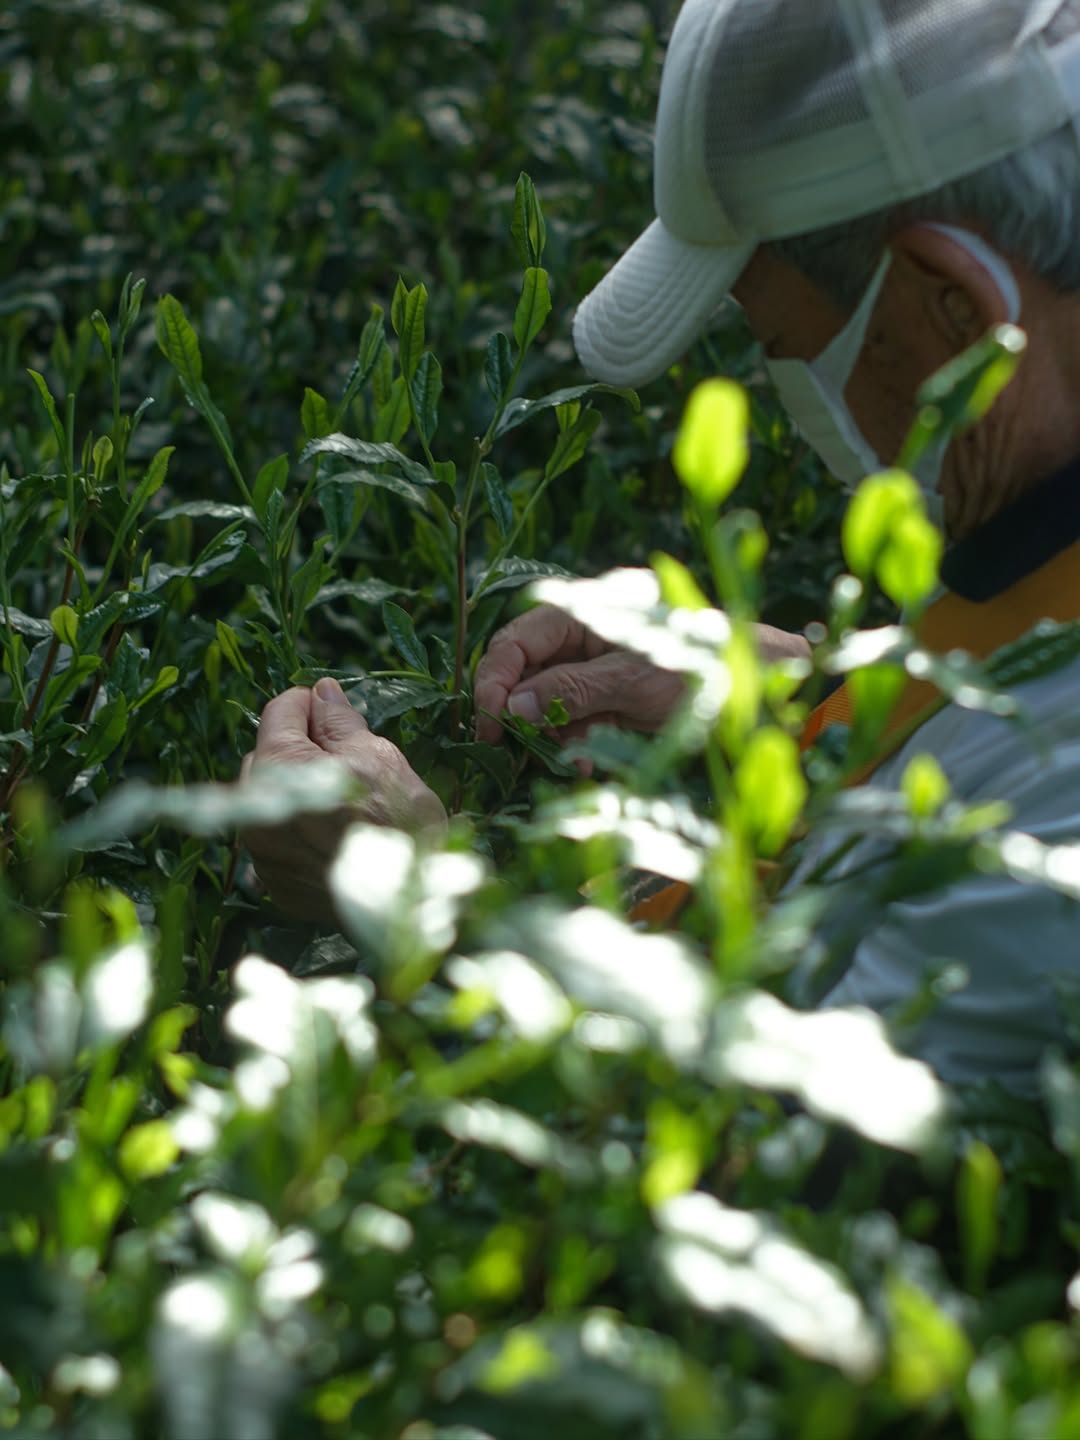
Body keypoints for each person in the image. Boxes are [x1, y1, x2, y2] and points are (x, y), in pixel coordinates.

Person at [246, 0, 1080, 1094]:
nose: (789, 403)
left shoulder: (1033, 844)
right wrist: (800, 700)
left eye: (783, 347)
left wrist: (426, 913)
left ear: (960, 316)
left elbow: (763, 1194)